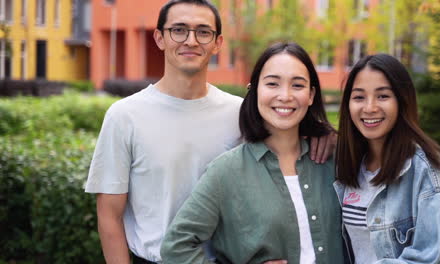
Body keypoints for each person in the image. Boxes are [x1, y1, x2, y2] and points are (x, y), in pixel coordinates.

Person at [85, 1, 335, 263]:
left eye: (203, 32)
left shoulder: (241, 114)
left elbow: (289, 140)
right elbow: (109, 216)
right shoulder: (125, 116)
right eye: (179, 30)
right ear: (159, 38)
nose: (191, 41)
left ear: (218, 43)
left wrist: (329, 136)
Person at [160, 42, 345, 264]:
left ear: (311, 95)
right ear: (255, 89)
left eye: (297, 85)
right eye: (272, 84)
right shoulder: (226, 171)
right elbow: (176, 247)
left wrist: (338, 139)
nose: (285, 96)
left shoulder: (333, 161)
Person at [334, 53, 440, 263]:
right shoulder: (347, 165)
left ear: (402, 101)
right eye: (359, 97)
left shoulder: (428, 172)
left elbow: (438, 258)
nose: (369, 107)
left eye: (383, 96)